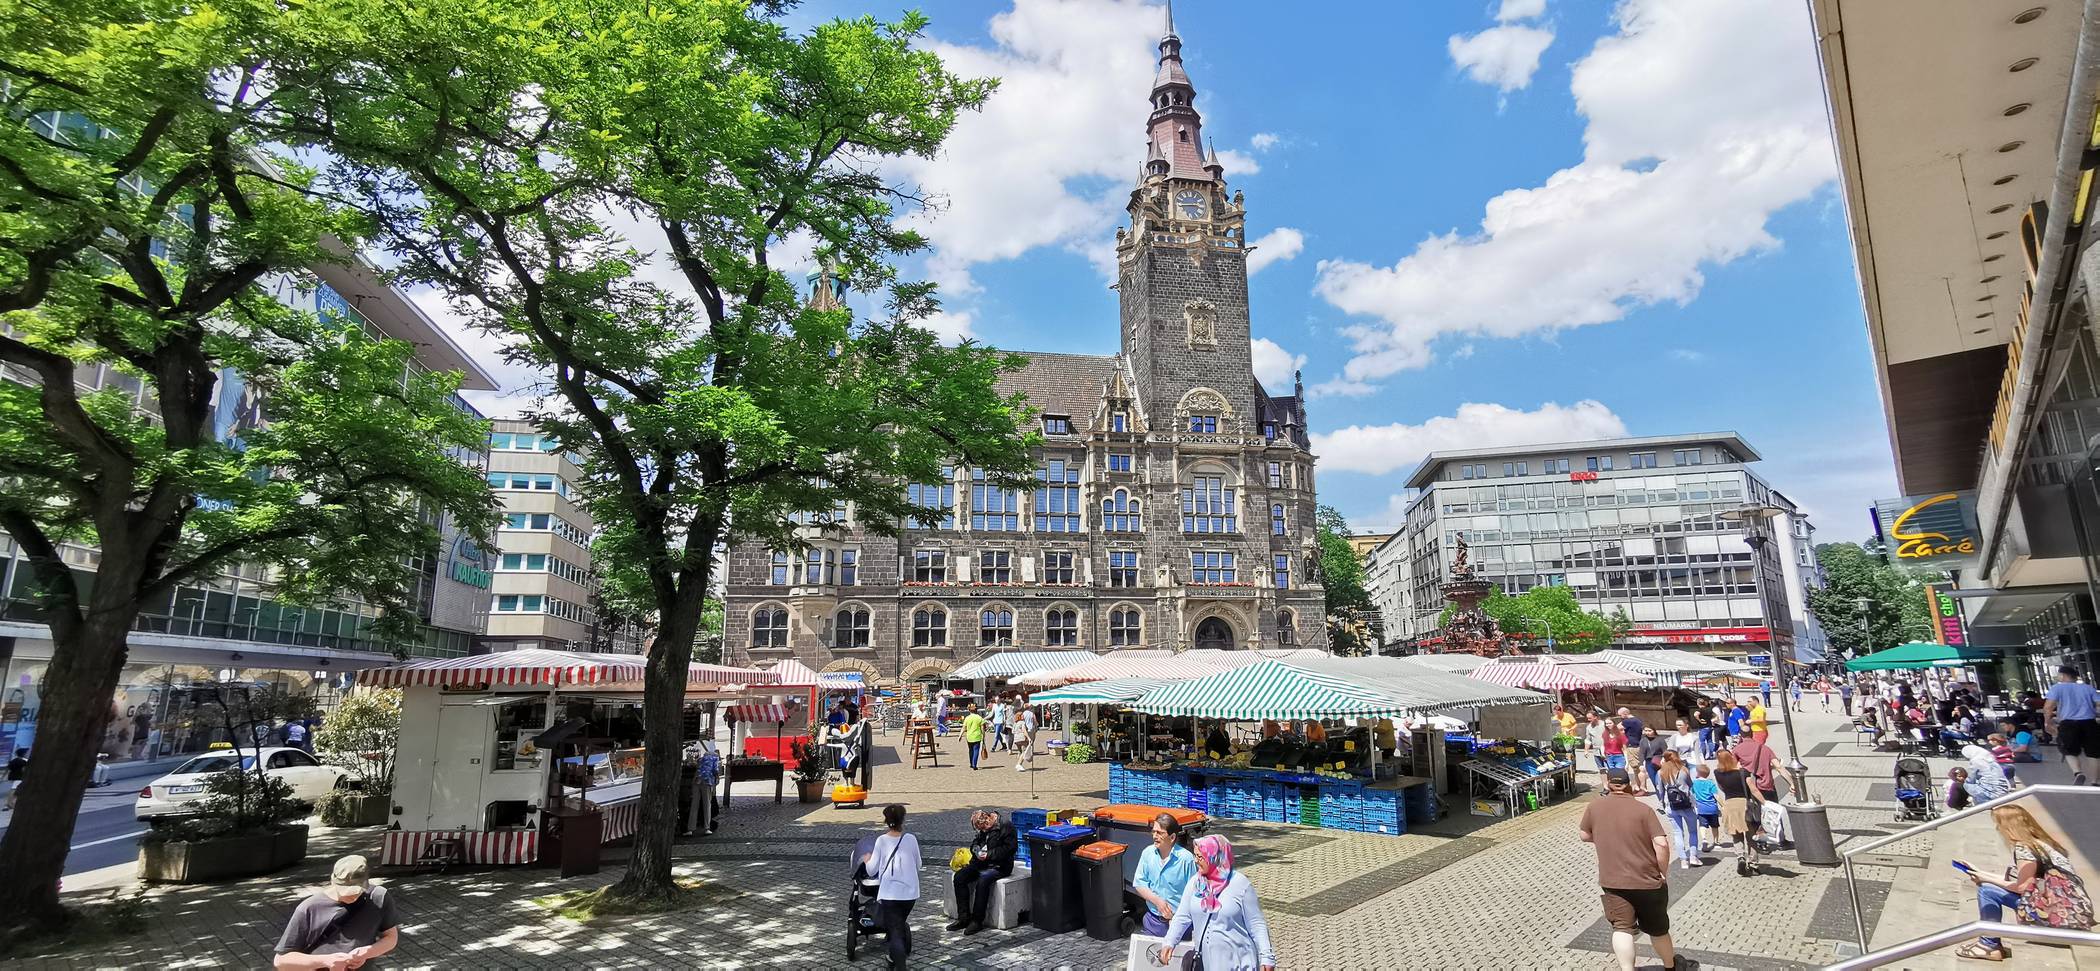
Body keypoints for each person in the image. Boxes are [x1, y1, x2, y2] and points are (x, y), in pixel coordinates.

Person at [1579, 768, 1688, 971]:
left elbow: (1584, 835)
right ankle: (1670, 966)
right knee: (1658, 929)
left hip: (1612, 880)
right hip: (1647, 881)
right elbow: (1661, 844)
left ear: (1608, 783)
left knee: (1622, 928)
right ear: (1629, 784)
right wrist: (1662, 871)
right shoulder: (1643, 810)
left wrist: (1605, 838)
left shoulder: (1594, 807)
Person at [1954, 805, 2096, 961]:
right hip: (2071, 913)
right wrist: (1980, 873)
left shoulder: (2024, 849)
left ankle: (1989, 945)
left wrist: (1985, 880)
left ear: (2009, 827)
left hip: (2055, 917)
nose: (1997, 828)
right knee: (1988, 886)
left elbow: (2022, 887)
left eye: (1999, 824)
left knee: (1987, 891)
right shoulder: (2042, 843)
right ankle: (1989, 943)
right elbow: (2021, 881)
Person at [1156, 835, 1276, 971]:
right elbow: (1182, 916)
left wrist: (1266, 956)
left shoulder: (1240, 884)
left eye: (1200, 857)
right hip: (1206, 963)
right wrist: (1169, 942)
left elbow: (1256, 924)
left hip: (1238, 963)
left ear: (1215, 857)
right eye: (1195, 856)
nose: (1195, 861)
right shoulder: (1195, 884)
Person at [274, 855, 399, 970]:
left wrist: (366, 953)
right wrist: (325, 961)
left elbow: (391, 938)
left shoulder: (378, 897)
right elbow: (281, 961)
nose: (353, 896)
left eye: (357, 890)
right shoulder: (310, 908)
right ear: (333, 881)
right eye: (346, 890)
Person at [862, 804, 921, 970]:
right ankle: (892, 957)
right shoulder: (911, 839)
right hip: (910, 894)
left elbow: (871, 869)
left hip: (890, 895)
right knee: (899, 925)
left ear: (886, 821)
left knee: (895, 932)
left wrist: (867, 859)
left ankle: (900, 965)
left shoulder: (881, 841)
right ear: (903, 820)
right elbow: (919, 865)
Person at [947, 809, 1016, 935]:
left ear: (989, 819)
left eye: (985, 827)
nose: (984, 830)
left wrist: (989, 855)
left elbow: (1009, 849)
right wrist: (976, 850)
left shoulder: (1005, 826)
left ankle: (977, 920)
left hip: (1000, 865)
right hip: (981, 862)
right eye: (981, 829)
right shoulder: (983, 829)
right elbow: (975, 843)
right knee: (959, 877)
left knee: (983, 879)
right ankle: (963, 917)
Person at [1131, 812, 1198, 937]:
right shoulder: (1147, 853)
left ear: (1172, 837)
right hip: (1153, 921)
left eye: (1160, 833)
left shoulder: (1186, 859)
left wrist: (1179, 918)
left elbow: (1194, 893)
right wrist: (1157, 901)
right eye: (1154, 832)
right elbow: (1139, 884)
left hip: (1179, 923)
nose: (1155, 836)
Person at [1713, 749, 1767, 876]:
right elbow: (1753, 789)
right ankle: (1753, 864)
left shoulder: (1717, 773)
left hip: (1729, 806)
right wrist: (1765, 803)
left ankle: (1740, 857)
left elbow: (1721, 787)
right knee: (1751, 836)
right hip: (1744, 805)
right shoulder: (1743, 773)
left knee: (1736, 835)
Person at [2044, 665, 2099, 785]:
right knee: (2094, 753)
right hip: (2089, 723)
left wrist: (2048, 722)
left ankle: (2078, 773)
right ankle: (2095, 781)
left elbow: (2048, 707)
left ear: (2063, 675)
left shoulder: (2057, 688)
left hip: (2068, 724)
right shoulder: (2088, 688)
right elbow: (2099, 704)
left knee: (2068, 750)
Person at [1656, 752, 1701, 869]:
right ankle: (1693, 856)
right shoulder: (1684, 770)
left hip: (1671, 806)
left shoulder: (1661, 772)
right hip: (1686, 805)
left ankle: (1683, 860)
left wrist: (1663, 803)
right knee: (1692, 832)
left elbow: (1660, 791)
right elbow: (1691, 786)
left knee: (1677, 833)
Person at [1691, 764, 1723, 854]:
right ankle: (1716, 842)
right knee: (1715, 826)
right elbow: (1716, 796)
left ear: (1698, 773)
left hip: (1701, 808)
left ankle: (1704, 839)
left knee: (1702, 825)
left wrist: (1693, 805)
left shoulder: (1694, 783)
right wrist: (1723, 805)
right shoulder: (1710, 783)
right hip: (1712, 808)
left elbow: (1692, 794)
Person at [1637, 726, 1667, 799]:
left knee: (1663, 781)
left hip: (1660, 761)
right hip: (1649, 762)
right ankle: (1660, 799)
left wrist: (1664, 758)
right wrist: (1640, 764)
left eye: (1649, 730)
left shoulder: (1660, 739)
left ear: (1653, 730)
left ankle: (1667, 798)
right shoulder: (1643, 741)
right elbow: (1641, 753)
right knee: (1655, 782)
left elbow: (1665, 750)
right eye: (1646, 731)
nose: (1647, 732)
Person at [961, 704, 986, 770]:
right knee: (976, 750)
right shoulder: (979, 718)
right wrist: (983, 737)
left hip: (969, 736)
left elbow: (964, 728)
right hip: (977, 736)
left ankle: (971, 763)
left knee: (970, 750)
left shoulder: (967, 718)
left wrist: (960, 735)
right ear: (976, 711)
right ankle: (974, 764)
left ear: (970, 711)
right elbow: (983, 729)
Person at [1011, 705, 1034, 773]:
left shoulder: (1015, 723)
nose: (1023, 716)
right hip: (1022, 738)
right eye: (1022, 715)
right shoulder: (1022, 723)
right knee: (1024, 751)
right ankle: (1019, 764)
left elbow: (1013, 731)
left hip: (1016, 739)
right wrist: (1029, 738)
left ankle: (1019, 762)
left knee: (1020, 752)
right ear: (1020, 717)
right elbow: (1024, 731)